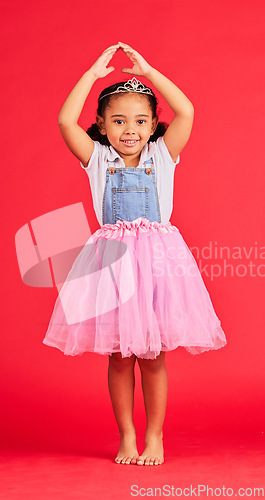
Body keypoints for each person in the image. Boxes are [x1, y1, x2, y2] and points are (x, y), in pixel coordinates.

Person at [42, 41, 227, 466]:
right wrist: (92, 75)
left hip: (159, 266)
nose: (130, 129)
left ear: (153, 125)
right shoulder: (98, 160)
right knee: (120, 355)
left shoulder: (163, 156)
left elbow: (188, 111)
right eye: (119, 120)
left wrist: (148, 71)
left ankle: (155, 437)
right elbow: (64, 120)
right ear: (103, 126)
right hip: (113, 266)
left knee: (153, 355)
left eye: (141, 120)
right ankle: (126, 435)